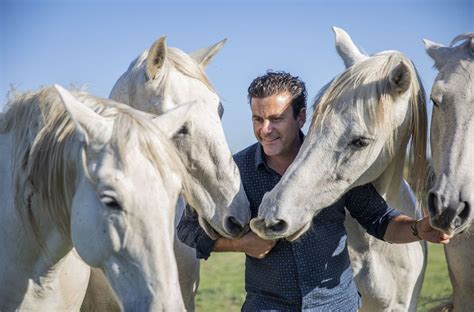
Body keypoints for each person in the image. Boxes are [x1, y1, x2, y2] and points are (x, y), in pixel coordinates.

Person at [177, 71, 451, 311]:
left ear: (301, 116)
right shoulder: (237, 171)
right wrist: (241, 244)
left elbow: (379, 219)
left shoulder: (332, 161)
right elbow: (188, 228)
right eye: (257, 119)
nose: (265, 130)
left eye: (276, 118)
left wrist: (418, 229)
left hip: (336, 307)